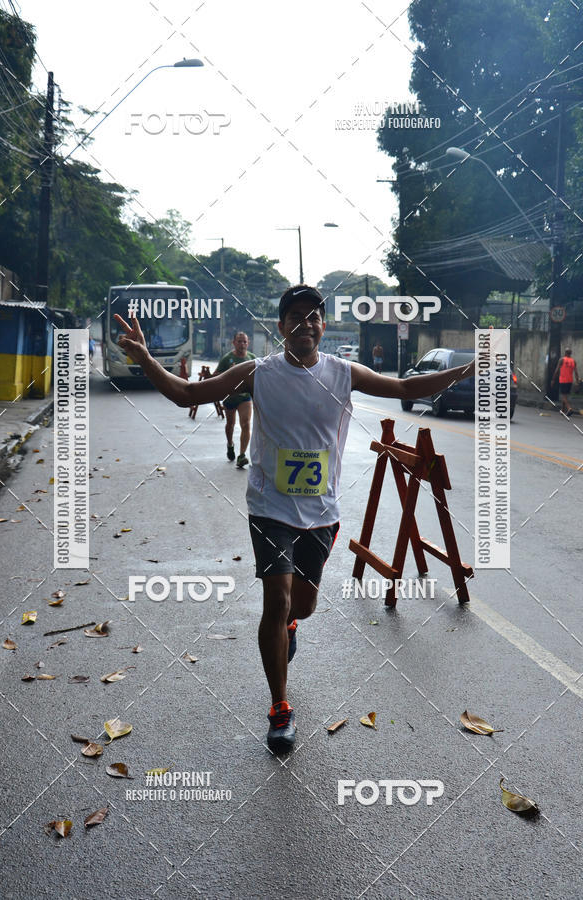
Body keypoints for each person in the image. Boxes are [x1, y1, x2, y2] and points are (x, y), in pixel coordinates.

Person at [114, 285, 475, 753]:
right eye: (296, 316)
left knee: (301, 607)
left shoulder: (344, 373)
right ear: (281, 327)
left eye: (314, 317)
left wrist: (465, 370)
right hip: (270, 508)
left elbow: (406, 389)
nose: (306, 323)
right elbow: (186, 392)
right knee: (277, 600)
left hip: (321, 514)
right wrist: (144, 357)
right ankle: (280, 707)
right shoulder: (257, 373)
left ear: (323, 327)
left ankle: (290, 630)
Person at [213, 332, 255, 467]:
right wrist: (228, 372)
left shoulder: (252, 358)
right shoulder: (227, 359)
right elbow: (215, 376)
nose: (242, 344)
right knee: (230, 424)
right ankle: (230, 444)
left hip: (245, 398)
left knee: (246, 424)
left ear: (248, 343)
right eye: (239, 341)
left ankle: (242, 455)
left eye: (244, 342)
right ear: (234, 343)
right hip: (230, 397)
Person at [551, 348, 579, 416]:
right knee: (565, 395)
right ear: (570, 353)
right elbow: (576, 372)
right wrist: (577, 381)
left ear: (565, 353)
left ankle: (569, 408)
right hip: (570, 380)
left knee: (563, 396)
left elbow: (556, 370)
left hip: (563, 380)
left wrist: (553, 379)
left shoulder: (562, 360)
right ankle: (563, 410)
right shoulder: (573, 361)